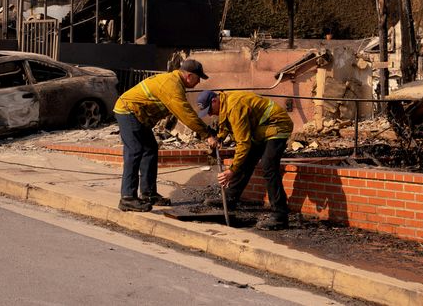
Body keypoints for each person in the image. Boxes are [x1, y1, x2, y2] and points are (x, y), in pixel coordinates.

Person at [113, 59, 218, 212]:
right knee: (135, 150)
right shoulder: (172, 85)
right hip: (128, 111)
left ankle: (148, 194)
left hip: (138, 115)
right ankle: (127, 198)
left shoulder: (175, 83)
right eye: (198, 78)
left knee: (150, 149)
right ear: (189, 76)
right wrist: (206, 134)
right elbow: (186, 114)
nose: (199, 82)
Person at [197, 90, 293, 230]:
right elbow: (226, 122)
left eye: (209, 110)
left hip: (277, 125)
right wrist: (220, 137)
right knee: (246, 161)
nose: (210, 114)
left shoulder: (235, 106)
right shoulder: (225, 104)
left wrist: (232, 170)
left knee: (268, 166)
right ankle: (230, 199)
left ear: (214, 101)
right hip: (261, 129)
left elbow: (243, 143)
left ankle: (280, 216)